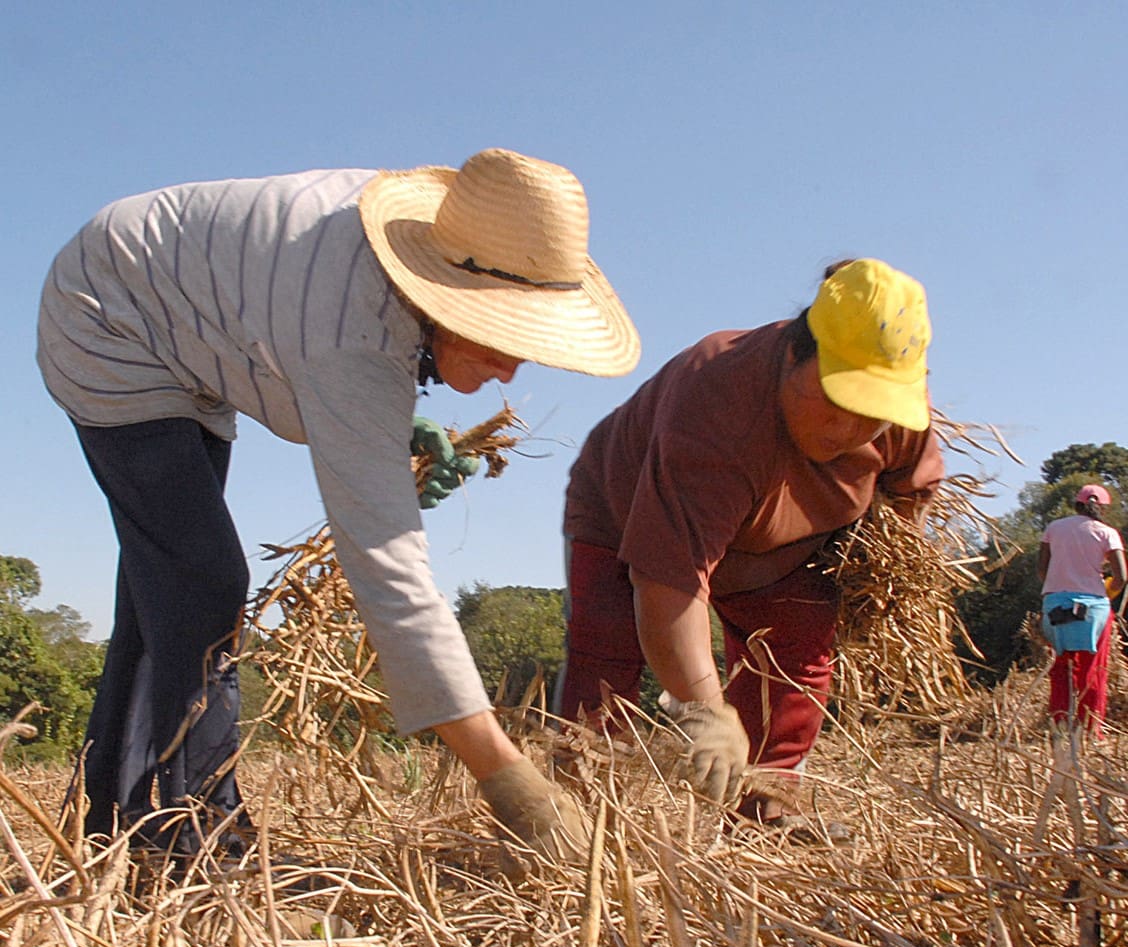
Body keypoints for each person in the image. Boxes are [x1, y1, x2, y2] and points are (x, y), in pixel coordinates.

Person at [37, 147, 639, 861]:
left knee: (163, 594)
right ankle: (205, 842)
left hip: (183, 320)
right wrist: (509, 779)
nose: (513, 366)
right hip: (109, 317)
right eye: (503, 336)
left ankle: (117, 827)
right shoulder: (349, 326)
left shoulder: (410, 263)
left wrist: (391, 427)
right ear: (444, 291)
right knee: (201, 583)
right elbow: (389, 569)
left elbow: (318, 356)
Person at [554, 258, 944, 830]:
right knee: (606, 654)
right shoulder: (719, 400)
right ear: (794, 354)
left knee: (795, 658)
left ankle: (768, 806)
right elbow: (671, 580)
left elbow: (908, 496)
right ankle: (574, 811)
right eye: (836, 401)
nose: (848, 431)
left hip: (781, 546)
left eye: (873, 417)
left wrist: (872, 568)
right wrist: (703, 710)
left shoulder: (902, 419)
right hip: (623, 515)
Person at [1038, 484, 1126, 738]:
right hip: (1093, 608)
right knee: (1093, 670)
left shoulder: (1054, 528)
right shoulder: (1107, 533)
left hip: (1055, 604)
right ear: (1103, 508)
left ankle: (1059, 726)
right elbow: (1120, 577)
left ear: (1076, 504)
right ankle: (1090, 730)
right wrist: (1107, 590)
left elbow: (1042, 570)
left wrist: (1059, 585)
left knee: (1061, 668)